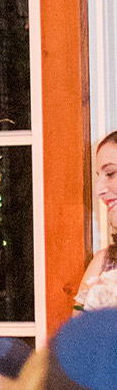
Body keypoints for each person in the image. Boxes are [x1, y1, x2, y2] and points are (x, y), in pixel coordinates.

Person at [75, 128, 117, 311]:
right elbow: (76, 338)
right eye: (98, 177)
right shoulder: (101, 264)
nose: (99, 190)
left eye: (110, 173)